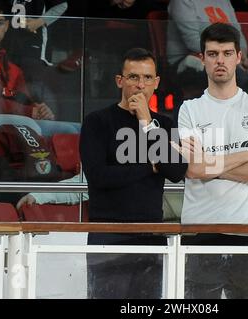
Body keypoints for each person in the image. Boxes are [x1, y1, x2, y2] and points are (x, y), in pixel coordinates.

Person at [176, 23, 248, 299]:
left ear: (238, 56)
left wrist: (211, 166)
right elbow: (193, 169)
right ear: (202, 59)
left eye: (226, 53)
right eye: (212, 54)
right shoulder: (189, 110)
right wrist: (245, 156)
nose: (219, 60)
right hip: (200, 230)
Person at [80, 47, 187, 299]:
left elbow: (176, 171)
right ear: (120, 80)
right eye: (133, 77)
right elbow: (98, 177)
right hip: (108, 235)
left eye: (148, 78)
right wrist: (148, 166)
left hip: (151, 236)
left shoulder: (164, 124)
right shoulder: (97, 121)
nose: (141, 85)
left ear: (156, 83)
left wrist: (147, 123)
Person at [0, 0, 80, 136]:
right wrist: (29, 111)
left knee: (75, 129)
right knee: (44, 127)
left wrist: (39, 108)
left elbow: (20, 96)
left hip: (10, 116)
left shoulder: (9, 64)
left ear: (7, 26)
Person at [167, 0, 248, 100]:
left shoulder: (224, 1)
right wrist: (229, 56)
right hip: (188, 61)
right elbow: (193, 41)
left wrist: (242, 56)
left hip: (228, 57)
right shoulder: (182, 2)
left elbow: (237, 33)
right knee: (239, 77)